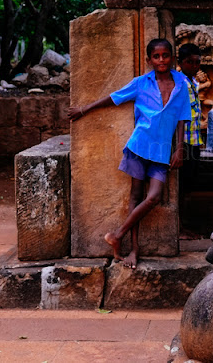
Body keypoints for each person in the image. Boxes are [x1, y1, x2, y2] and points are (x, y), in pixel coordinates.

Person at [68, 38, 192, 269]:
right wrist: (84, 109)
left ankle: (117, 234)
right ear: (149, 60)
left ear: (172, 58)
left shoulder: (181, 84)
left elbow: (183, 117)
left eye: (165, 55)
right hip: (139, 145)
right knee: (135, 196)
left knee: (153, 197)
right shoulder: (141, 83)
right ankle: (133, 249)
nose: (161, 60)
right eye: (156, 56)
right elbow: (114, 97)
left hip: (163, 151)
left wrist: (179, 148)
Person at [177, 43, 203, 188]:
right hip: (184, 141)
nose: (194, 66)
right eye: (189, 62)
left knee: (192, 180)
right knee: (183, 181)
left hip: (194, 139)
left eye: (197, 62)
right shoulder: (179, 83)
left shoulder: (193, 83)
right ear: (180, 62)